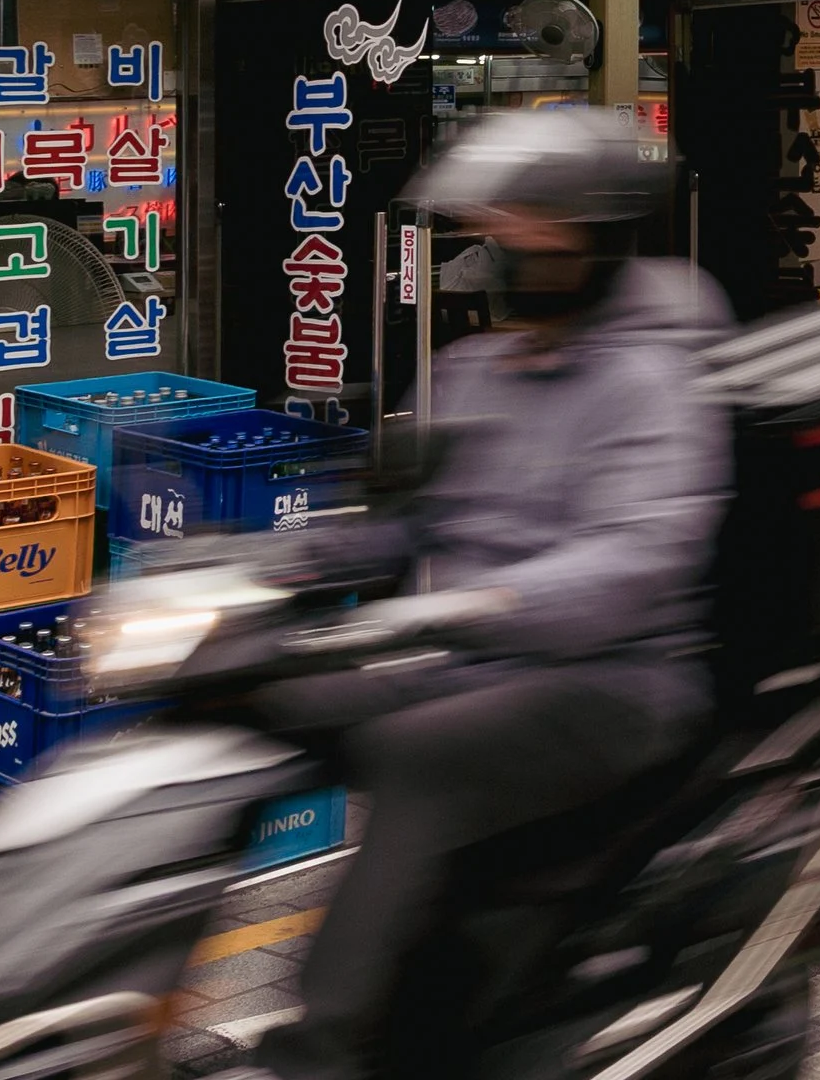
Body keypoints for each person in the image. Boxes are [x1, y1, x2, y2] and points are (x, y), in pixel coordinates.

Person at [243, 109, 733, 1080]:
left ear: (592, 237)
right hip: (476, 659)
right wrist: (270, 572)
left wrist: (471, 604)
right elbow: (404, 519)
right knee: (254, 695)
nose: (507, 250)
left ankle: (320, 1052)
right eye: (493, 231)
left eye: (531, 229)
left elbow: (633, 555)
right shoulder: (472, 369)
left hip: (616, 678)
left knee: (414, 753)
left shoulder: (649, 379)